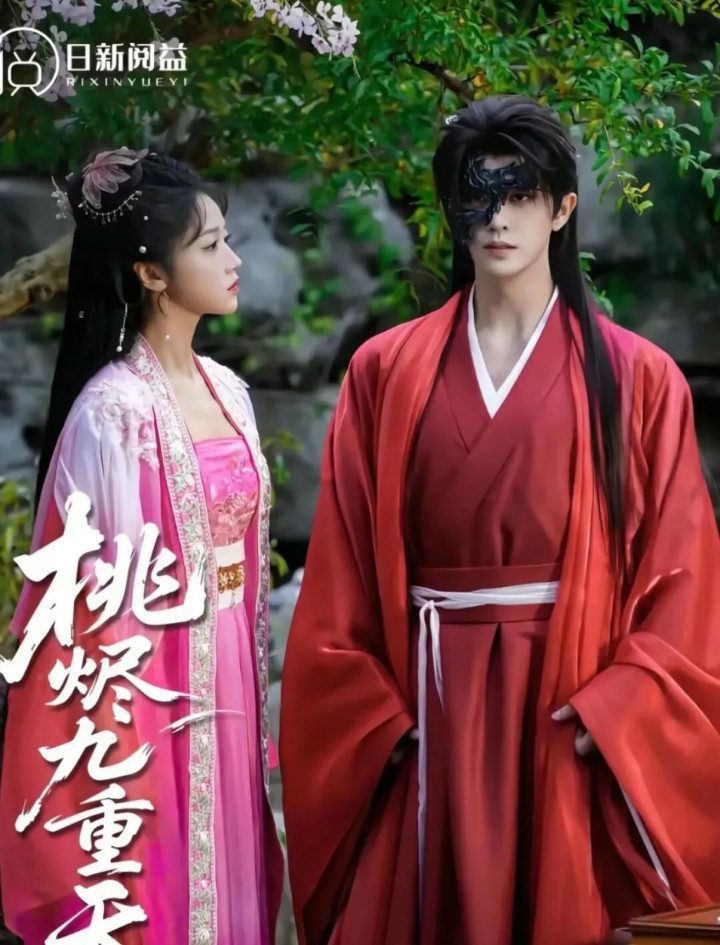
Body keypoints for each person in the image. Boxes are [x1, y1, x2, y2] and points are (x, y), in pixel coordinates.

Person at [279, 95, 720, 945]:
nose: (497, 220)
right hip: (429, 696)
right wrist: (376, 717)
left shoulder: (637, 376)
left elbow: (685, 573)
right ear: (452, 212)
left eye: (520, 196)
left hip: (567, 696)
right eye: (476, 198)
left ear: (562, 209)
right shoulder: (385, 371)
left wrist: (622, 704)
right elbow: (341, 571)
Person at [0, 148, 283, 944]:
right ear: (152, 273)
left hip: (229, 663)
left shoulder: (231, 392)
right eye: (211, 245)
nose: (233, 261)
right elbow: (95, 607)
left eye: (228, 241)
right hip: (155, 685)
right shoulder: (112, 412)